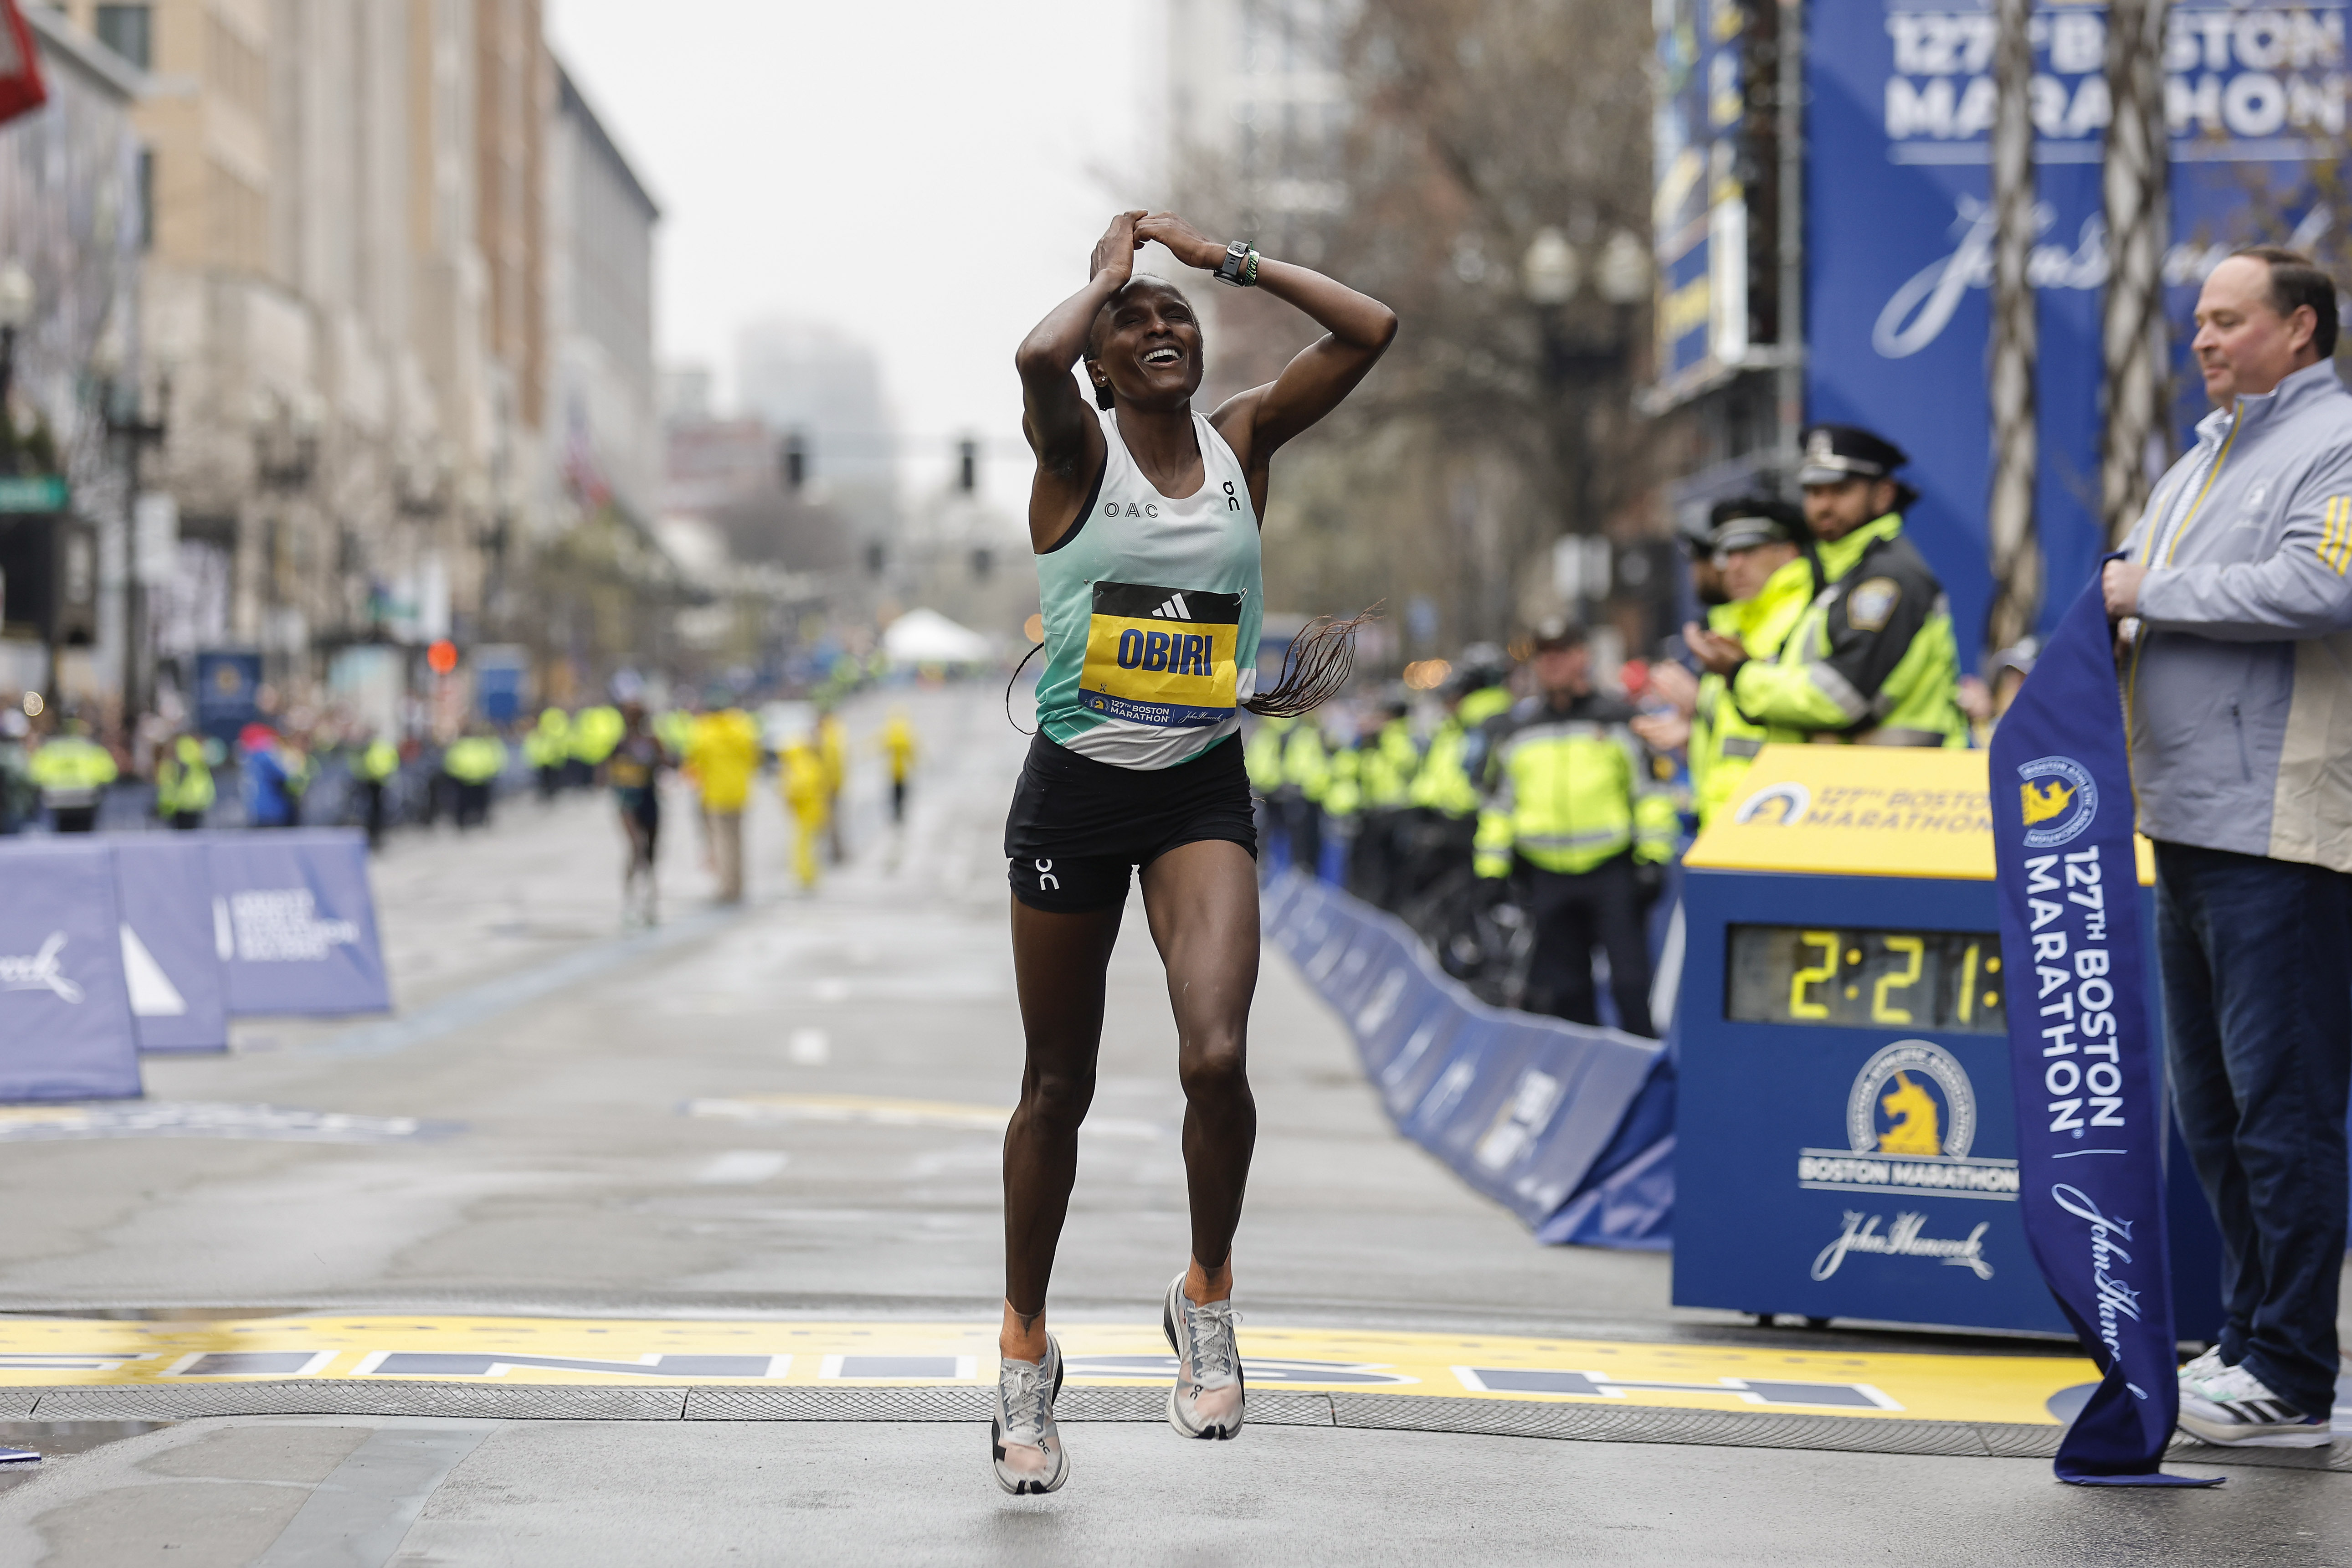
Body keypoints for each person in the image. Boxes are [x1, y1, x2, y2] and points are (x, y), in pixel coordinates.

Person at [995, 207, 1393, 1493]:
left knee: (1216, 1056)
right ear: (1102, 366)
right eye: (1134, 321)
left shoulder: (1243, 443)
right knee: (1057, 1086)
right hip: (1073, 797)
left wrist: (1221, 257)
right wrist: (1109, 273)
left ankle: (1205, 1293)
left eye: (1178, 317)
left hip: (1195, 791)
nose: (1161, 325)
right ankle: (1024, 1346)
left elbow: (1370, 329)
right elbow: (1033, 360)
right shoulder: (1075, 450)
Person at [2100, 246, 2352, 1449]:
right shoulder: (2203, 453)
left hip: (2278, 833)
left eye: (2228, 319)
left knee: (2280, 1111)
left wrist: (2150, 590)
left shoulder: (2337, 441)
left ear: (2300, 328)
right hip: (2185, 820)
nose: (2201, 338)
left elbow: (2321, 587)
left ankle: (2294, 1372)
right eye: (2198, 320)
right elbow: (2125, 590)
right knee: (2212, 1113)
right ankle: (2249, 1342)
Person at [1684, 425, 1967, 749]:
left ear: (1884, 494)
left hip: (1906, 776)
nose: (1824, 505)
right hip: (1868, 775)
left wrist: (1740, 674)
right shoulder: (1842, 572)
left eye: (1841, 490)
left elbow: (1842, 697)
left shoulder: (1888, 577)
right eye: (1814, 491)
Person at [1474, 619, 1676, 1033]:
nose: (1553, 663)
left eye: (1562, 652)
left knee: (1631, 987)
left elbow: (1651, 794)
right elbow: (1498, 806)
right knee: (1567, 995)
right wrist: (1491, 869)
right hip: (1545, 876)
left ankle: (1642, 1066)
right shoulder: (1517, 730)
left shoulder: (1620, 720)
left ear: (1583, 655)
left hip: (1612, 872)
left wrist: (1654, 857)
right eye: (1544, 654)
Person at [1638, 498, 1818, 831]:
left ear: (1789, 552)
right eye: (1727, 553)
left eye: (1749, 550)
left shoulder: (1811, 619)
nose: (1733, 566)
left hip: (1784, 820)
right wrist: (1696, 725)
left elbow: (1821, 710)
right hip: (1731, 822)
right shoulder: (1735, 624)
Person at [688, 698, 762, 904]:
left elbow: (695, 762)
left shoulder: (704, 731)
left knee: (721, 841)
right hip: (740, 793)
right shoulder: (743, 727)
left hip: (716, 795)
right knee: (737, 840)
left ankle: (727, 886)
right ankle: (739, 883)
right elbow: (754, 758)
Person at [600, 703, 666, 928]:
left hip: (649, 799)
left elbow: (667, 763)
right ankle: (630, 899)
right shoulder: (621, 744)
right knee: (637, 847)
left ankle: (650, 899)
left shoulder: (652, 742)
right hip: (628, 802)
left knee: (651, 852)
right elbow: (605, 772)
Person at [29, 715, 117, 833]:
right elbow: (109, 774)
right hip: (86, 797)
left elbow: (35, 775)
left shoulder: (50, 748)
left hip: (56, 799)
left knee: (60, 838)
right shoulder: (91, 748)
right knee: (86, 836)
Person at [780, 730, 828, 892]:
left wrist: (788, 794)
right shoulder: (809, 762)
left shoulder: (800, 765)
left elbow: (801, 788)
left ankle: (806, 876)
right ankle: (806, 875)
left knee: (803, 847)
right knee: (807, 846)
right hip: (810, 812)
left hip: (807, 813)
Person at [442, 723, 507, 831]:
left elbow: (491, 760)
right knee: (467, 803)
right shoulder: (464, 745)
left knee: (479, 803)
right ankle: (464, 823)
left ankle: (478, 822)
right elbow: (451, 762)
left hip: (478, 779)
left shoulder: (474, 745)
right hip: (467, 780)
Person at [153, 731, 216, 831]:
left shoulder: (172, 766)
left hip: (181, 807)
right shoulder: (197, 764)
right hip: (192, 805)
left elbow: (168, 789)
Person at [817, 706, 849, 864]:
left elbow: (831, 764)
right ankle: (838, 851)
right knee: (835, 819)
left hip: (829, 785)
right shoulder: (837, 732)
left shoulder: (828, 737)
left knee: (832, 821)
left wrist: (830, 784)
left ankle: (837, 853)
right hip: (835, 783)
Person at [881, 708, 918, 826]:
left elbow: (883, 747)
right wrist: (914, 763)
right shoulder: (906, 732)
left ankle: (896, 812)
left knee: (894, 793)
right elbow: (911, 750)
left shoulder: (890, 733)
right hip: (903, 770)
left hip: (893, 770)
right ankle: (900, 812)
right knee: (902, 792)